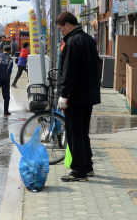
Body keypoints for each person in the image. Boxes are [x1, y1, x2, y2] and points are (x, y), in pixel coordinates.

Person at [56, 11, 101, 182]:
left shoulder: (73, 42)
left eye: (61, 29)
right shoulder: (88, 39)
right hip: (88, 95)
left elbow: (69, 72)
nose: (61, 32)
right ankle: (87, 167)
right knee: (83, 133)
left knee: (74, 133)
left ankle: (78, 171)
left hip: (75, 96)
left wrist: (64, 94)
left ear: (67, 25)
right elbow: (96, 63)